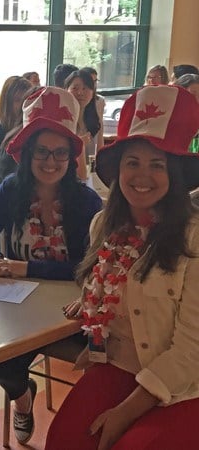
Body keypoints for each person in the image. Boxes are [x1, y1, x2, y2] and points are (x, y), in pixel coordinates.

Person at [46, 85, 199, 450]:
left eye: (156, 164)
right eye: (133, 162)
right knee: (63, 441)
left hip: (184, 383)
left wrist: (126, 413)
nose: (141, 175)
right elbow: (106, 285)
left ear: (175, 174)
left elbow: (192, 350)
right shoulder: (103, 224)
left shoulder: (193, 236)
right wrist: (92, 309)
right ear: (118, 169)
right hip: (118, 366)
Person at [0, 87, 103, 445]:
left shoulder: (88, 201)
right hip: (21, 307)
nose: (51, 161)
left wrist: (25, 268)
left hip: (73, 310)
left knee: (102, 367)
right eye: (42, 151)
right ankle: (23, 401)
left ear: (71, 157)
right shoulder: (11, 190)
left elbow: (88, 267)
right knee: (3, 366)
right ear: (27, 153)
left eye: (60, 153)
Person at [0, 76, 32, 195]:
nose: (23, 105)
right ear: (7, 102)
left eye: (27, 100)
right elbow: (0, 171)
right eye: (18, 100)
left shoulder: (28, 127)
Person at [65, 70, 103, 178]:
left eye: (85, 88)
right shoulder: (63, 120)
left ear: (92, 92)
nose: (80, 93)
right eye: (75, 88)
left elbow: (100, 150)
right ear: (66, 90)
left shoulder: (96, 119)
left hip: (90, 176)